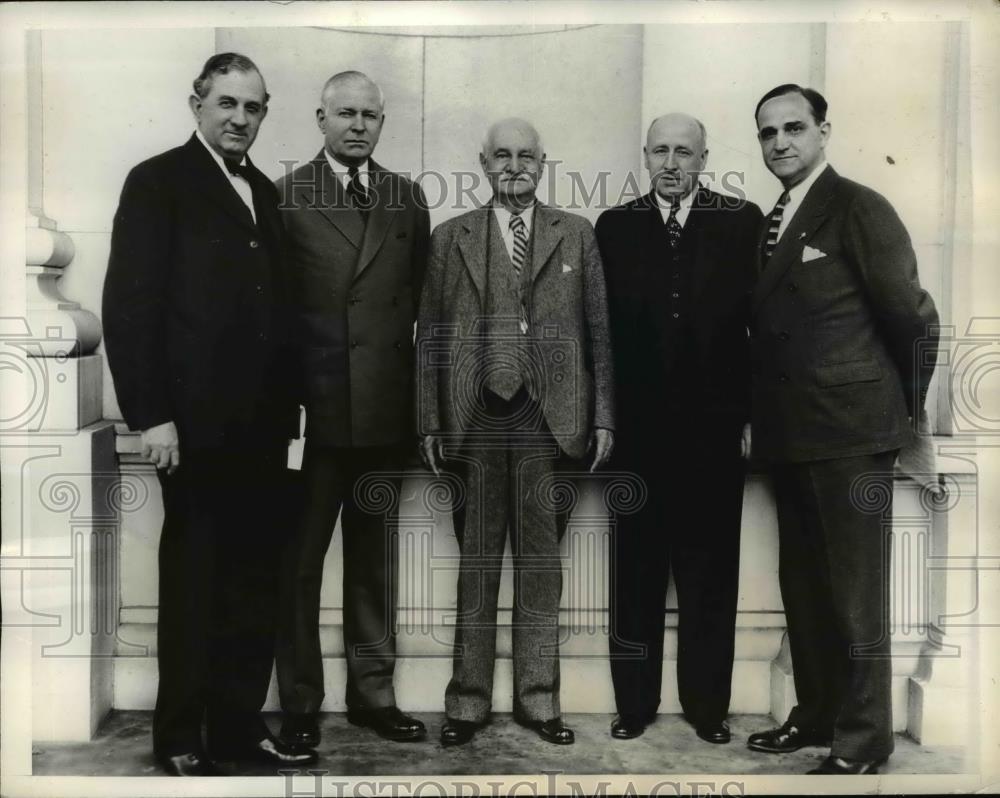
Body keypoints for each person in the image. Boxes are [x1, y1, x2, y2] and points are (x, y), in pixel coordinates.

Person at [102, 53, 317, 775]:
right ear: (196, 103)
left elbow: (281, 315)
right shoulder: (157, 182)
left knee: (254, 581)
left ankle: (236, 727)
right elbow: (130, 309)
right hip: (190, 431)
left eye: (253, 108)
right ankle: (181, 735)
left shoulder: (263, 191)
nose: (239, 119)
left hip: (264, 432)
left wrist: (295, 420)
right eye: (226, 103)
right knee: (195, 581)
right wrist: (151, 415)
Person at [746, 84, 939, 774]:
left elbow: (912, 317)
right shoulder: (778, 215)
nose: (780, 143)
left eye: (794, 128)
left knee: (856, 598)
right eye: (767, 133)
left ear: (824, 130)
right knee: (806, 590)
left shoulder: (859, 206)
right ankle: (818, 715)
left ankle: (862, 741)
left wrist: (899, 412)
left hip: (853, 436)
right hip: (792, 436)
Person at [416, 118, 615, 747]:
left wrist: (604, 413)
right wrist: (428, 418)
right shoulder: (452, 237)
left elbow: (600, 334)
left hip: (548, 423)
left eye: (526, 155)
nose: (514, 165)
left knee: (540, 566)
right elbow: (428, 336)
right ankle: (467, 703)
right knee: (476, 564)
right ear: (483, 163)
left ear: (543, 162)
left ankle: (539, 700)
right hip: (474, 422)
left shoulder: (576, 235)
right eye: (502, 155)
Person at [273, 71, 430, 748]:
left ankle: (373, 696)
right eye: (346, 113)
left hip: (384, 415)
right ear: (320, 118)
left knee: (375, 564)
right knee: (299, 565)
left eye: (370, 114)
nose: (359, 125)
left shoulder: (406, 197)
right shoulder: (285, 197)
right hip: (315, 419)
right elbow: (273, 319)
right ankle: (301, 704)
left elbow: (424, 312)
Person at [595, 113, 762, 744]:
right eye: (660, 150)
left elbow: (759, 327)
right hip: (635, 436)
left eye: (684, 152)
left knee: (710, 574)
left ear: (704, 158)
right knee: (634, 573)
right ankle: (633, 705)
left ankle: (707, 707)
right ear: (645, 155)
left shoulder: (739, 222)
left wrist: (750, 415)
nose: (672, 162)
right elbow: (600, 334)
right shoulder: (614, 227)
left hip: (715, 434)